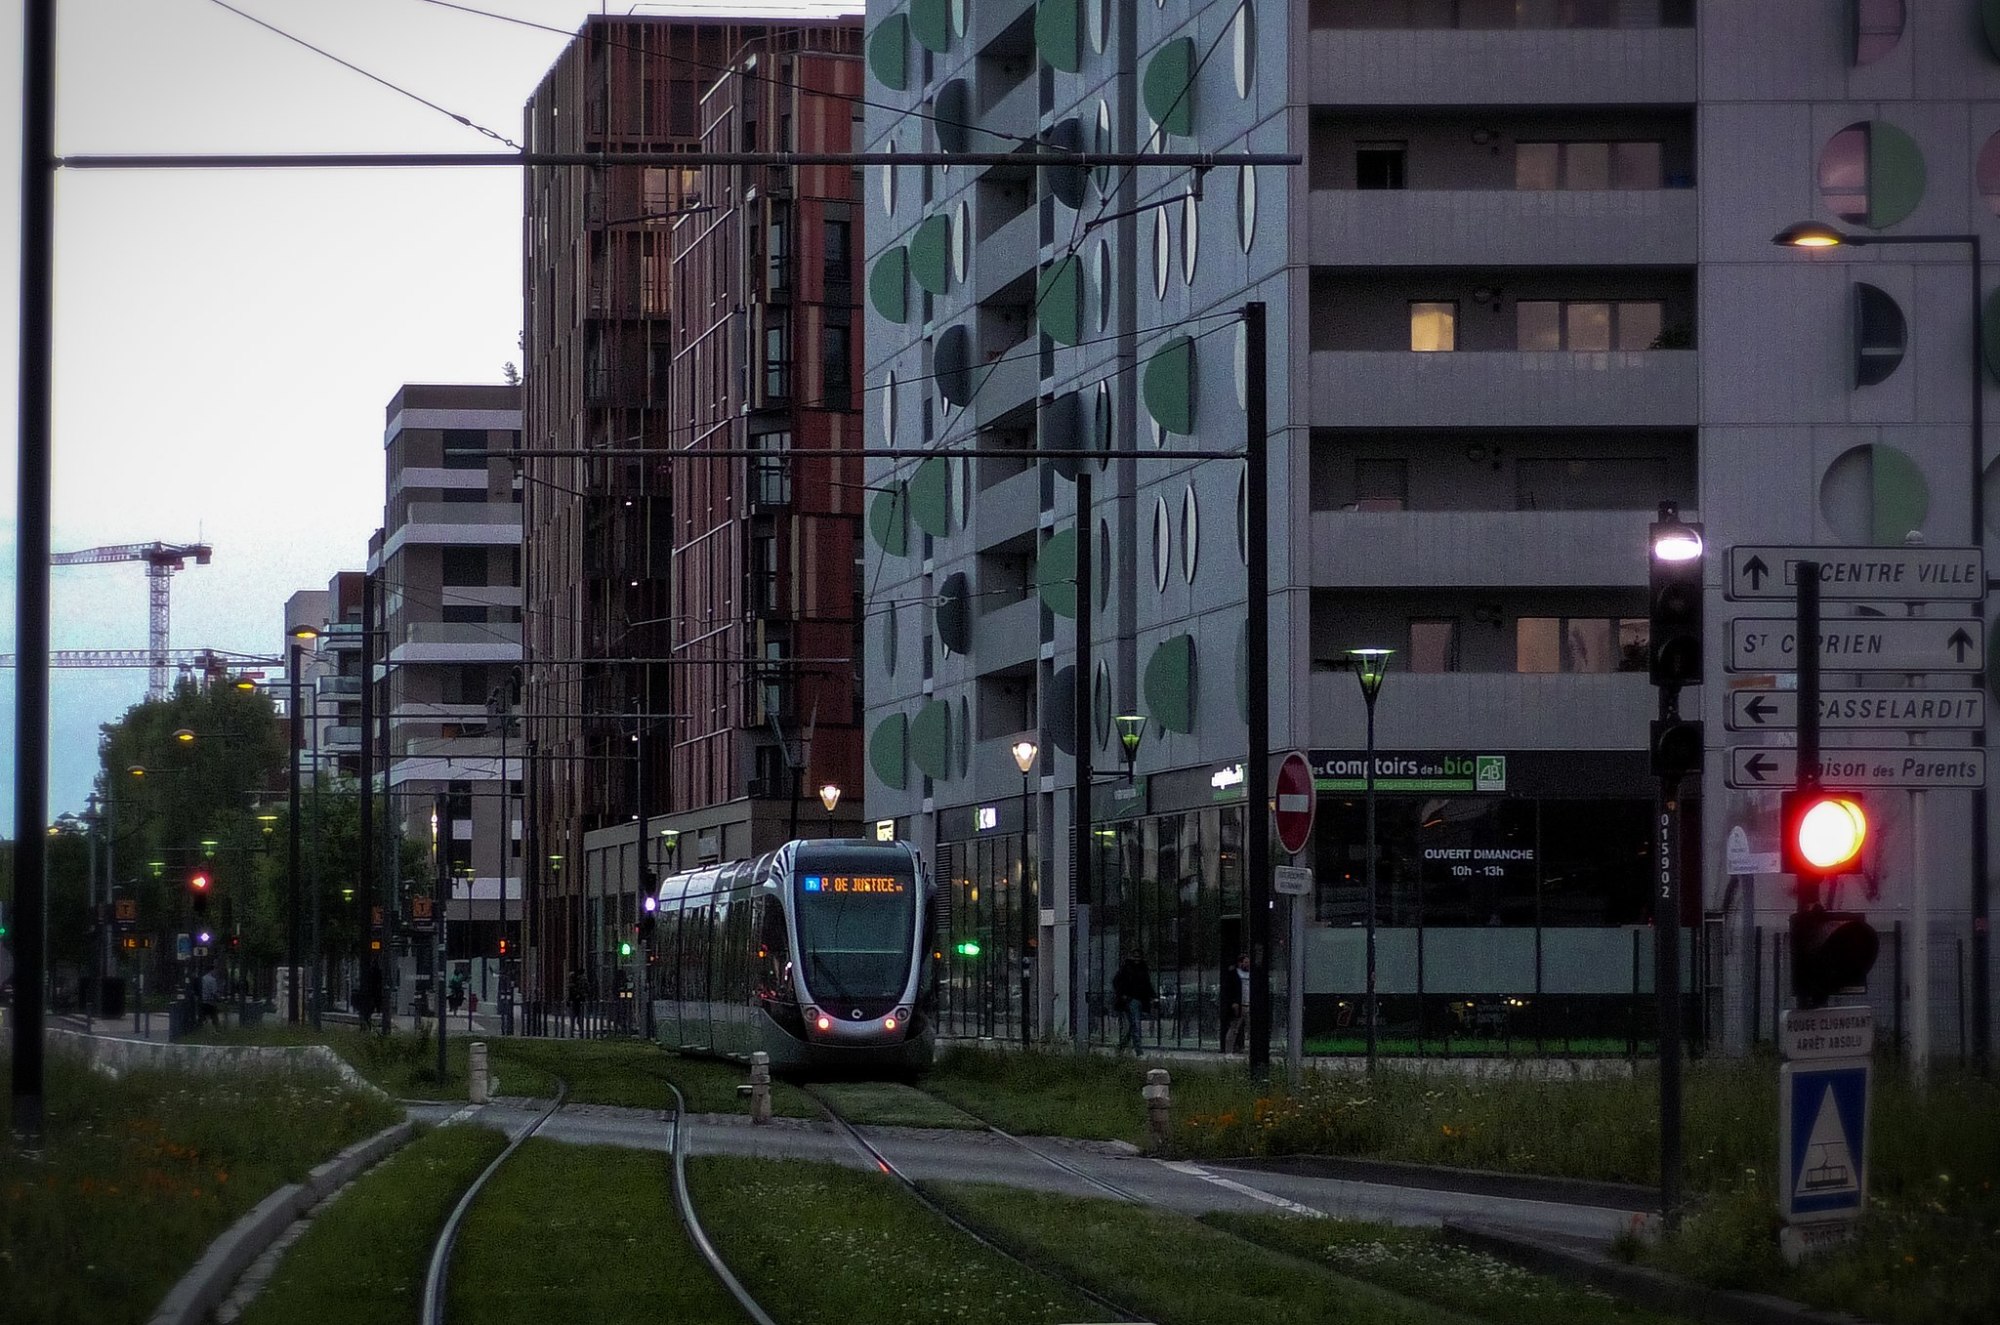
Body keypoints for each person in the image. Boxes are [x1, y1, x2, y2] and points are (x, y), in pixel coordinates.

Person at [1110, 953, 1155, 1055]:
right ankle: (1138, 1050)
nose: (1137, 959)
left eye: (1138, 957)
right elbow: (1116, 982)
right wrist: (1123, 995)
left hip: (1139, 1000)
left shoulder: (1143, 970)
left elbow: (1147, 985)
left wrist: (1153, 996)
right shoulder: (1126, 969)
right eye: (1135, 957)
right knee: (1135, 1024)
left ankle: (1122, 1046)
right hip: (1130, 1000)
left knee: (1133, 1026)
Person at [1221, 953, 1251, 1054]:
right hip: (1240, 1005)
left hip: (1249, 1004)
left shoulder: (1252, 973)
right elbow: (1229, 989)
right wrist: (1234, 1002)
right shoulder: (1234, 974)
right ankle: (1228, 1051)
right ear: (1240, 963)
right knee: (1234, 1028)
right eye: (1245, 962)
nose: (1248, 964)